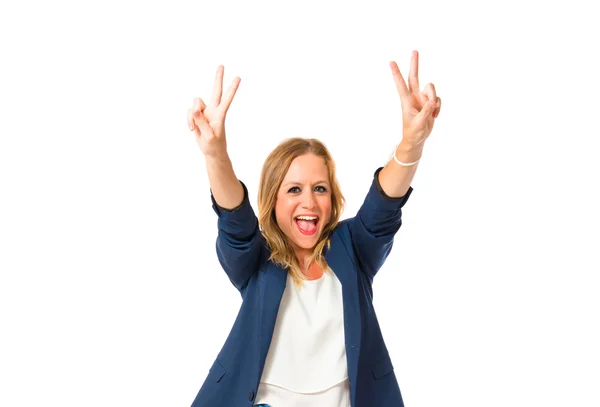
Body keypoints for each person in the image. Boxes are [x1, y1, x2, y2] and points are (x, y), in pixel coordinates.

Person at [185, 50, 441, 407]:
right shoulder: (257, 259)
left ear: (332, 197)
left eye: (319, 188)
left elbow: (384, 207)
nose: (309, 201)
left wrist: (412, 143)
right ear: (273, 201)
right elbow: (234, 222)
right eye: (294, 190)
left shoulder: (353, 248)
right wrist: (215, 155)